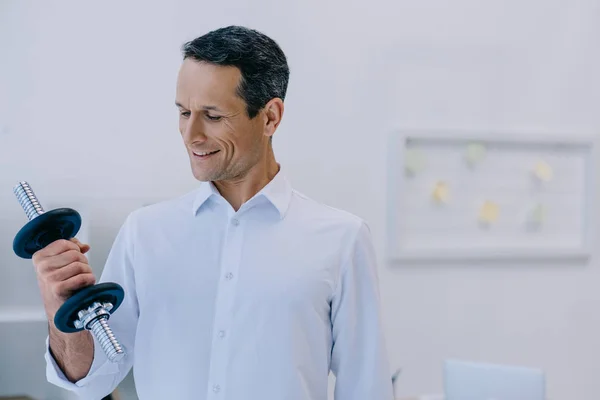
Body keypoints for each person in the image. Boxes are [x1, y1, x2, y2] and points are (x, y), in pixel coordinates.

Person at [35, 25, 394, 400]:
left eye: (213, 115)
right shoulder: (145, 233)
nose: (191, 134)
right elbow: (91, 381)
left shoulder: (342, 239)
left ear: (270, 117)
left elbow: (366, 389)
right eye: (183, 112)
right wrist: (58, 307)